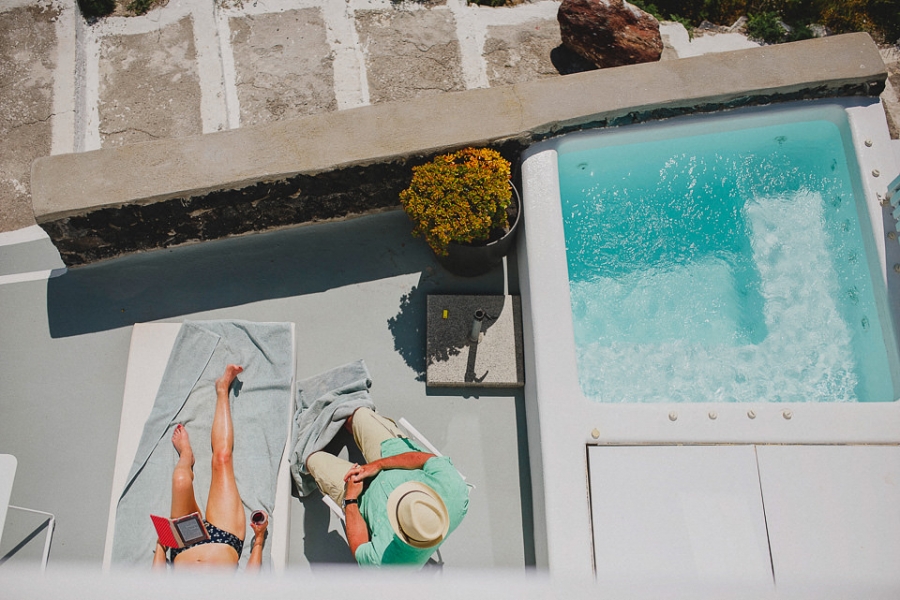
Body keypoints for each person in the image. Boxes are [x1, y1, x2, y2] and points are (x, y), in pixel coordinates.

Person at [306, 407, 469, 567]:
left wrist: (351, 499)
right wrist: (377, 465)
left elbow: (359, 550)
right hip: (392, 456)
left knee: (312, 459)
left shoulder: (387, 564)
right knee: (359, 415)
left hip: (361, 499)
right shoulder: (455, 491)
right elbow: (427, 459)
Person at [152, 364, 268, 570]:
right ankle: (222, 389)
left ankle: (186, 456)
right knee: (223, 459)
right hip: (226, 538)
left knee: (180, 480)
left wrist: (162, 543)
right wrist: (258, 540)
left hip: (185, 543)